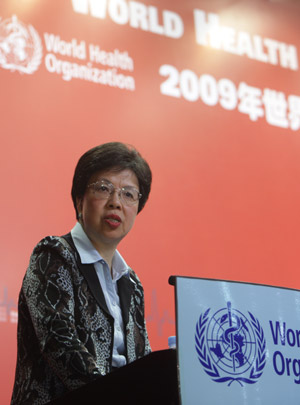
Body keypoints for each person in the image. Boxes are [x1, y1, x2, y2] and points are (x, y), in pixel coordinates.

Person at [11, 142, 152, 404]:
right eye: (103, 188)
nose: (116, 203)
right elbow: (60, 346)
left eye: (128, 194)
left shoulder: (131, 282)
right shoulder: (53, 255)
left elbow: (142, 362)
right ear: (79, 200)